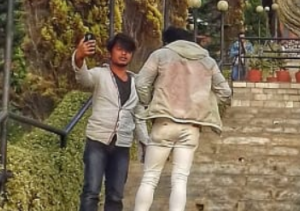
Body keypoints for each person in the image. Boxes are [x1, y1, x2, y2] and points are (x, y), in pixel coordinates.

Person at [133, 27, 232, 211]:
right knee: (180, 179)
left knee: (150, 177)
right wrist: (205, 103)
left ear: (167, 41)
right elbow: (226, 92)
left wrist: (148, 102)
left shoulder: (161, 55)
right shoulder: (207, 61)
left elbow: (141, 83)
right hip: (191, 127)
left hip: (163, 121)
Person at [72, 32, 143, 211]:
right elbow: (83, 78)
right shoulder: (100, 75)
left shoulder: (136, 82)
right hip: (98, 141)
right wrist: (79, 57)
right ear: (111, 52)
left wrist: (145, 142)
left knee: (116, 195)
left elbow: (138, 114)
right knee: (91, 191)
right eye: (119, 49)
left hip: (122, 144)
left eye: (128, 51)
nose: (124, 53)